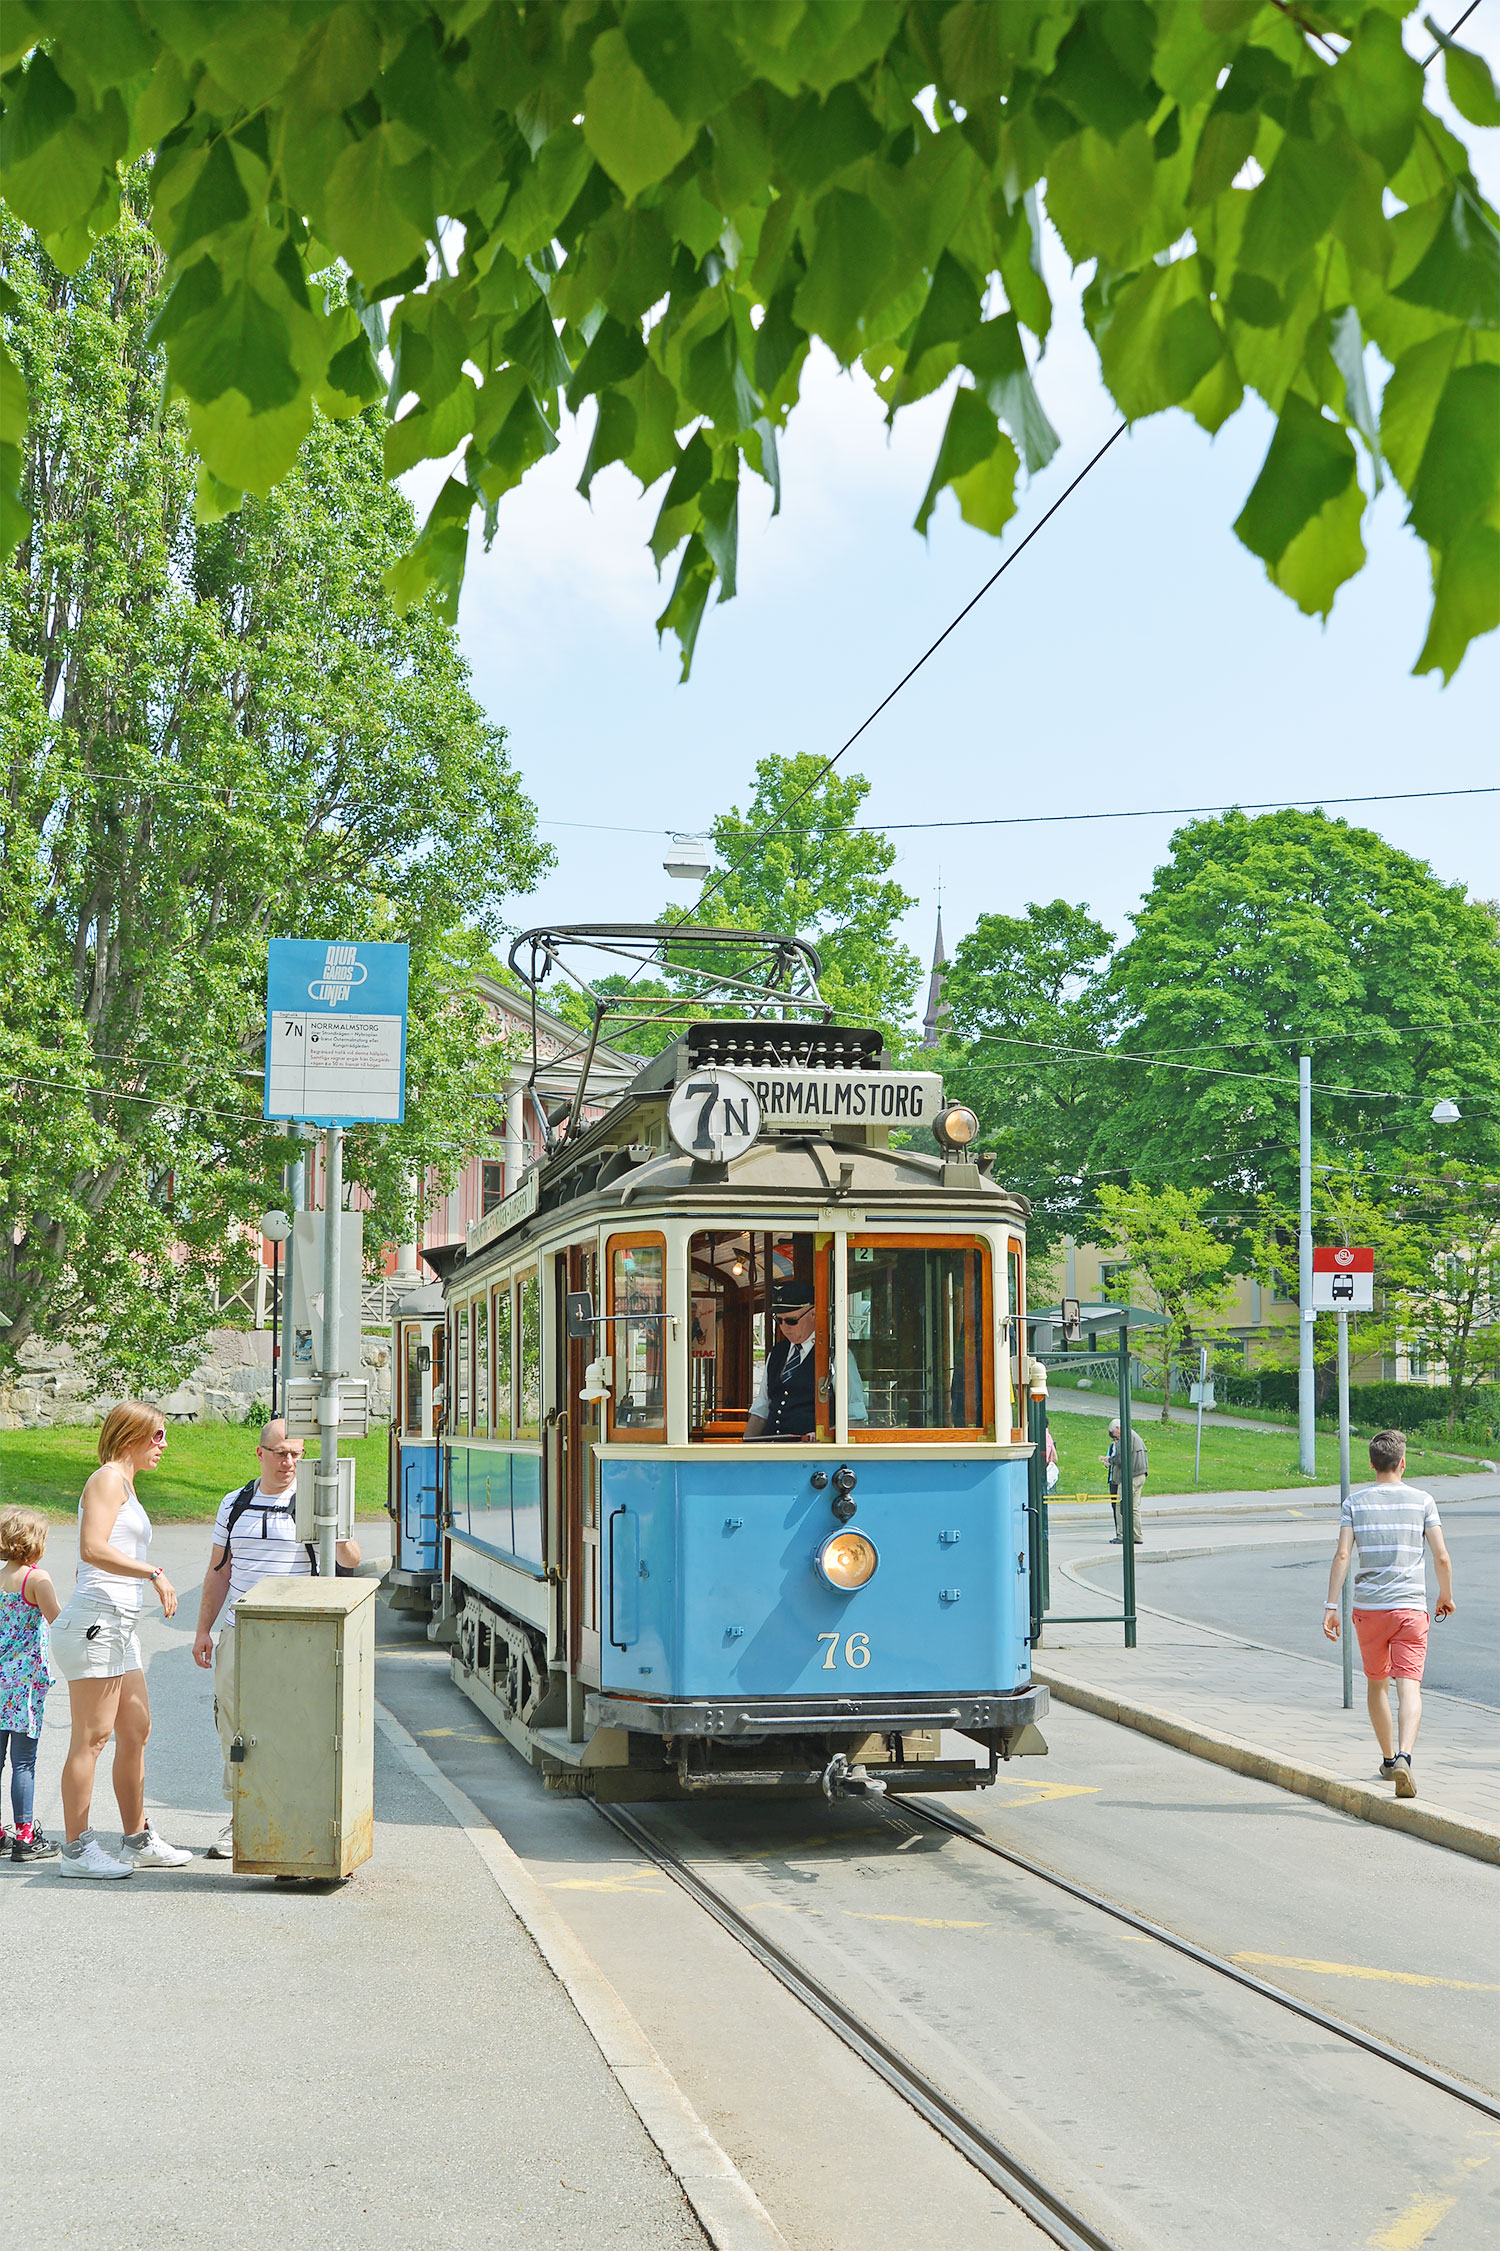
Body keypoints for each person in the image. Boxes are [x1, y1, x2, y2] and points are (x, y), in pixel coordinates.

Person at [193, 1417, 361, 1859]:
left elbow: (351, 1559)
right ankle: (241, 1818)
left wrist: (334, 1523)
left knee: (296, 1726)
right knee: (235, 1727)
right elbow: (219, 1572)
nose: (288, 1463)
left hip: (296, 1635)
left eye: (296, 1455)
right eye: (281, 1453)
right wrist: (203, 1631)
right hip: (240, 1632)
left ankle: (294, 1820)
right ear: (260, 1454)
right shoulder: (235, 1503)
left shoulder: (312, 1500)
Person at [49, 1402, 192, 1878]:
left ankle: (137, 1840)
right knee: (91, 1739)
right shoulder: (107, 1479)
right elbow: (92, 1547)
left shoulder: (126, 1484)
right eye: (158, 1435)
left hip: (117, 1625)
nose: (164, 1445)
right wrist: (153, 1572)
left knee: (136, 1730)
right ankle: (76, 1850)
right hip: (97, 1622)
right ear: (131, 1434)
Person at [1324, 1428, 1455, 1799]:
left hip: (1369, 1610)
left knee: (1377, 1683)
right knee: (1409, 1685)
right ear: (1403, 1463)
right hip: (1411, 1609)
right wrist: (1445, 1595)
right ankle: (1404, 1757)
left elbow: (1343, 1555)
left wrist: (1331, 1606)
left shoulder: (1354, 1503)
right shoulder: (1423, 1501)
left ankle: (1386, 1759)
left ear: (1372, 1464)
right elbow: (1442, 1556)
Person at [0, 1506, 62, 1863]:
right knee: (23, 1762)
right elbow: (58, 1620)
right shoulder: (36, 1580)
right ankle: (25, 1836)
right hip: (24, 1685)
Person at [743, 1285, 867, 1440]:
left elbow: (855, 1416)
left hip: (812, 1452)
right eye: (778, 1320)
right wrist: (744, 1446)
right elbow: (761, 1409)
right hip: (772, 1449)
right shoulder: (776, 1353)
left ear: (813, 1314)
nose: (784, 1327)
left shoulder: (835, 1354)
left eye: (791, 1321)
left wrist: (825, 1435)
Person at [1107, 1419, 1146, 1544]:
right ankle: (1137, 1536)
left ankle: (1122, 1535)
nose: (1114, 1437)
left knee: (1120, 1505)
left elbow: (1120, 1458)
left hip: (1130, 1476)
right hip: (1141, 1473)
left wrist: (1110, 1460)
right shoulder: (1134, 1435)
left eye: (1113, 1434)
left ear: (1118, 1428)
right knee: (1134, 1508)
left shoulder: (1124, 1437)